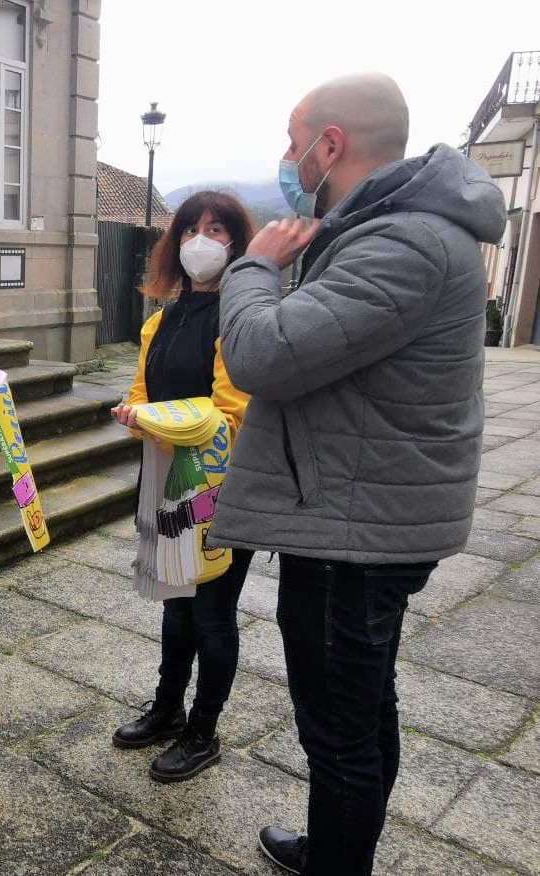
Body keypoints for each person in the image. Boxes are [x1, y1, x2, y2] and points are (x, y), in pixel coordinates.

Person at [208, 73, 507, 876]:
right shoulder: (401, 231)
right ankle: (337, 847)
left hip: (354, 530)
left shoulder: (402, 242)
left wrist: (253, 266)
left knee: (340, 731)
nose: (287, 158)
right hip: (360, 510)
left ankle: (337, 860)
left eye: (292, 139)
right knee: (364, 709)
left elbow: (263, 355)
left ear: (329, 145)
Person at [109, 191, 254, 782]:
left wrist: (157, 421)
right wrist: (135, 413)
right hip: (165, 480)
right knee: (175, 604)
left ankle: (204, 729)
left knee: (213, 614)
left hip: (223, 488)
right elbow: (143, 392)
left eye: (217, 229)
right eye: (191, 227)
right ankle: (168, 707)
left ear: (239, 244)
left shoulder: (242, 321)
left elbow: (230, 413)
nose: (201, 240)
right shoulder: (158, 321)